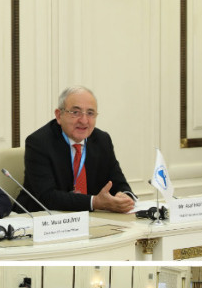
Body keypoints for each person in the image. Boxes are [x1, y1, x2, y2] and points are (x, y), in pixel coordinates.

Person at [17, 86, 135, 214]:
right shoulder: (39, 142)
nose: (84, 121)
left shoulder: (102, 140)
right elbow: (47, 197)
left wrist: (125, 197)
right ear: (59, 115)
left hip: (92, 218)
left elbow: (118, 182)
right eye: (75, 112)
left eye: (90, 113)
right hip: (42, 217)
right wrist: (94, 202)